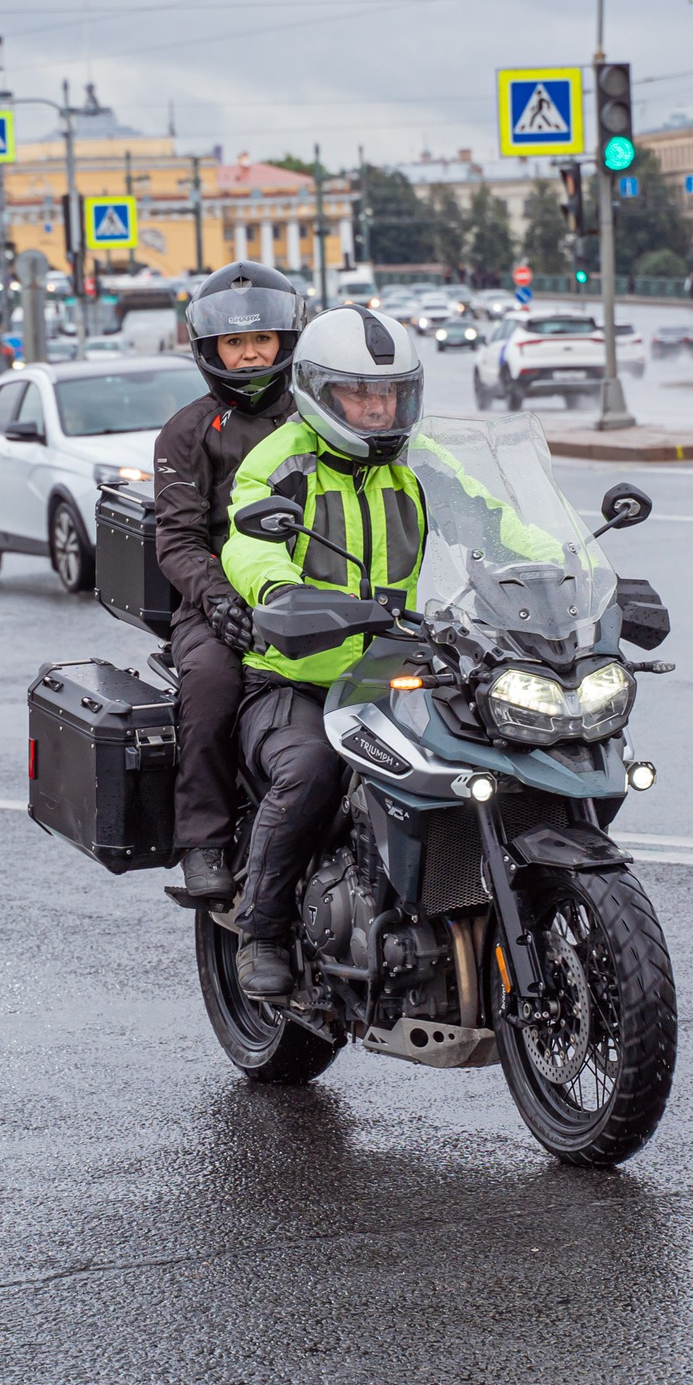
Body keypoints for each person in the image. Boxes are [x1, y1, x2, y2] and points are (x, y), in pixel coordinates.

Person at [218, 306, 430, 996]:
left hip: (399, 672)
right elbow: (249, 542)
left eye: (389, 393)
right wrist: (278, 590)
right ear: (317, 390)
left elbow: (500, 518)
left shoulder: (416, 464)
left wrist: (566, 565)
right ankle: (262, 927)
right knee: (308, 769)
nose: (377, 408)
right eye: (359, 393)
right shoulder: (280, 462)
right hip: (295, 679)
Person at [151, 261, 310, 903]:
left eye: (261, 341)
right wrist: (217, 599)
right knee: (213, 680)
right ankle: (205, 841)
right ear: (211, 348)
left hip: (316, 589)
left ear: (285, 341)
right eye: (235, 344)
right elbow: (178, 539)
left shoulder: (317, 414)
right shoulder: (189, 431)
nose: (249, 356)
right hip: (213, 600)